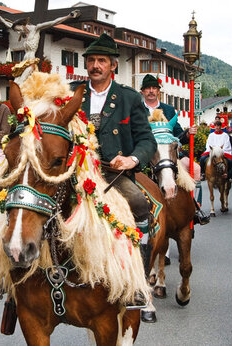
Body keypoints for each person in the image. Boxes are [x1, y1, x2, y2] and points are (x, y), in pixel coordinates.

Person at [75, 34, 157, 311]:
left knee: (139, 204)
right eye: (91, 60)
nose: (95, 65)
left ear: (113, 65)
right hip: (76, 171)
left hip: (113, 173)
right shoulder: (72, 94)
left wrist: (131, 159)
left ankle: (139, 278)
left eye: (101, 61)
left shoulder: (129, 98)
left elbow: (147, 140)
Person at [0, 10, 80, 83]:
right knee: (15, 82)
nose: (19, 31)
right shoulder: (24, 31)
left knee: (20, 82)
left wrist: (69, 16)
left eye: (19, 29)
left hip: (31, 62)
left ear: (23, 25)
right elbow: (10, 26)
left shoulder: (36, 29)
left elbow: (53, 22)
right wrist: (1, 19)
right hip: (24, 61)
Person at [140, 74, 196, 143]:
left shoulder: (169, 110)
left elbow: (178, 136)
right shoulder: (136, 111)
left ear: (158, 91)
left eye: (154, 88)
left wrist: (187, 134)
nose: (151, 91)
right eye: (148, 88)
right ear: (142, 91)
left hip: (167, 151)